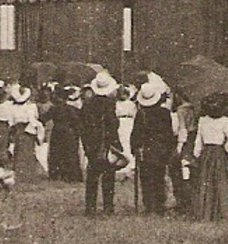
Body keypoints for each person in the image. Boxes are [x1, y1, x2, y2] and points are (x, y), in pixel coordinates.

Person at [192, 93, 228, 221]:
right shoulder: (226, 121)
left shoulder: (203, 120)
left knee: (206, 182)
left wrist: (196, 153)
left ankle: (206, 212)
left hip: (206, 154)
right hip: (219, 154)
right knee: (222, 182)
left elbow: (198, 140)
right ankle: (224, 212)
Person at [79, 72, 124, 216]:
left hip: (92, 144)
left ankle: (90, 208)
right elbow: (113, 125)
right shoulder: (110, 105)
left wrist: (87, 146)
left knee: (92, 176)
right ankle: (108, 207)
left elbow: (83, 127)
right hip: (107, 143)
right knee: (108, 176)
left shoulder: (87, 105)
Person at [131, 80, 177, 212]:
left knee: (146, 178)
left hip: (146, 149)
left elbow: (136, 133)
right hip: (160, 149)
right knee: (159, 175)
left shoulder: (141, 114)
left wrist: (134, 147)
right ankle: (159, 203)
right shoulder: (164, 113)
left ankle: (149, 204)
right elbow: (169, 133)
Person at [46, 85, 86, 183]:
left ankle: (57, 174)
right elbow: (77, 120)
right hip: (68, 132)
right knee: (69, 153)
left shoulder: (54, 108)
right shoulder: (70, 109)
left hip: (58, 131)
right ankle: (71, 175)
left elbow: (44, 117)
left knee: (57, 153)